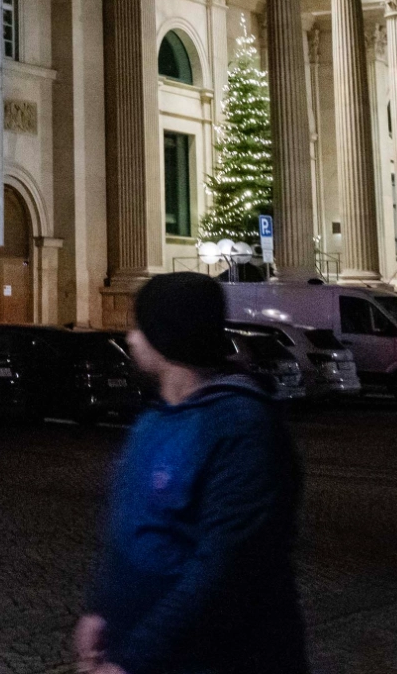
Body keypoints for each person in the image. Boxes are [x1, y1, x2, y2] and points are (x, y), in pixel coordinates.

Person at [74, 273, 308, 674]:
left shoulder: (240, 425)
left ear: (166, 335)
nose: (130, 338)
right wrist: (100, 609)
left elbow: (225, 567)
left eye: (140, 327)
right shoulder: (153, 421)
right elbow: (125, 532)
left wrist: (134, 660)